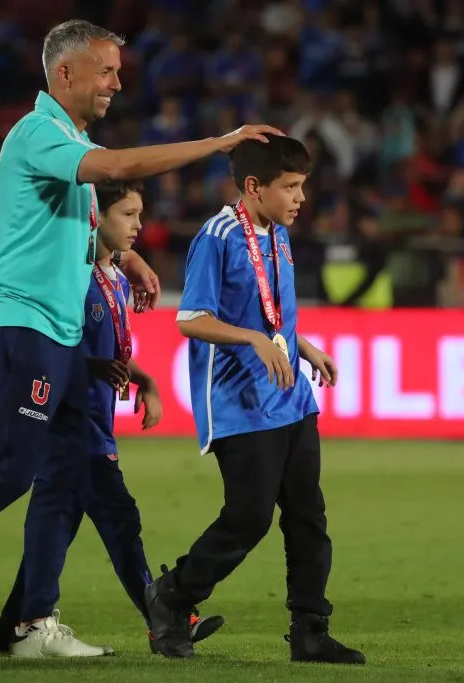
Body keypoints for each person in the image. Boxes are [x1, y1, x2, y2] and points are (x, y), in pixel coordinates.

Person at [0, 18, 282, 660]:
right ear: (65, 73)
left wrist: (127, 258)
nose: (117, 82)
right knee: (11, 468)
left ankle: (32, 624)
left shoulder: (67, 139)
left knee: (68, 475)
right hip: (22, 320)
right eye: (107, 70)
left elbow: (73, 228)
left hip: (58, 332)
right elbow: (118, 166)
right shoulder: (40, 134)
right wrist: (219, 143)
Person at [142, 135, 365, 665]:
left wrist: (303, 345)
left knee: (308, 516)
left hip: (290, 396)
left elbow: (269, 312)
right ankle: (171, 596)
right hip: (238, 402)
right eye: (289, 187)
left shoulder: (278, 234)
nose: (300, 198)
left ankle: (310, 630)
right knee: (249, 519)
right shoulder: (217, 236)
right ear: (253, 187)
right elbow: (190, 318)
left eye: (302, 186)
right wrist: (254, 340)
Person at [0, 181, 226, 656]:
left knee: (64, 520)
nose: (140, 226)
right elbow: (52, 348)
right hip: (62, 420)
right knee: (113, 519)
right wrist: (93, 368)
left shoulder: (115, 279)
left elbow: (108, 352)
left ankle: (13, 624)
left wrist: (145, 380)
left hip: (94, 422)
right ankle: (164, 616)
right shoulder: (70, 277)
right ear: (96, 218)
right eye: (129, 215)